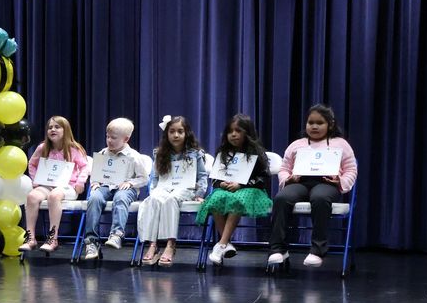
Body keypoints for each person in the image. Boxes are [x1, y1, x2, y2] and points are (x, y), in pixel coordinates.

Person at [268, 104, 358, 268]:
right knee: (281, 198)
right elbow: (284, 168)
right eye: (311, 123)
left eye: (320, 123)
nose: (314, 126)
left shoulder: (341, 144)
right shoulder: (297, 144)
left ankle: (317, 250)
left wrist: (340, 182)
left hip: (327, 183)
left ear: (330, 124)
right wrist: (288, 179)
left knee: (320, 198)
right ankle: (278, 249)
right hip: (300, 183)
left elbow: (351, 169)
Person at [197, 114, 272, 265]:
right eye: (230, 131)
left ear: (247, 133)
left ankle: (221, 244)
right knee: (216, 198)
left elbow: (263, 178)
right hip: (227, 189)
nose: (233, 134)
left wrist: (241, 185)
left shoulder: (256, 153)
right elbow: (215, 178)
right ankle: (226, 244)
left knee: (237, 199)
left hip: (251, 190)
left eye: (238, 131)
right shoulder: (223, 152)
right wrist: (221, 183)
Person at [137, 115, 208, 266]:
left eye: (180, 131)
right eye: (172, 131)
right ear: (167, 134)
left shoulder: (194, 153)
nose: (176, 135)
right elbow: (154, 178)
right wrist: (153, 192)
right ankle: (153, 245)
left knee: (171, 199)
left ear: (186, 133)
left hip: (185, 189)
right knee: (153, 199)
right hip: (164, 187)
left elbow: (202, 176)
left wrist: (199, 194)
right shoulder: (160, 153)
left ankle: (170, 244)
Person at [80, 117, 150, 260]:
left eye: (114, 138)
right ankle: (91, 241)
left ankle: (117, 234)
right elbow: (95, 174)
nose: (109, 140)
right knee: (94, 198)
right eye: (107, 137)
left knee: (120, 197)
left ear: (126, 139)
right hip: (106, 186)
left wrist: (131, 183)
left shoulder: (134, 156)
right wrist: (95, 182)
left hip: (125, 189)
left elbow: (144, 179)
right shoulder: (103, 153)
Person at [20, 117, 89, 253]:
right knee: (32, 196)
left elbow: (85, 166)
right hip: (47, 184)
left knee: (54, 196)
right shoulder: (43, 147)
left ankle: (53, 238)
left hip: (67, 187)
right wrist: (35, 179)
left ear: (65, 130)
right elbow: (32, 164)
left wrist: (80, 182)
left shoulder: (74, 149)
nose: (53, 130)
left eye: (57, 127)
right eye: (50, 127)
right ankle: (30, 238)